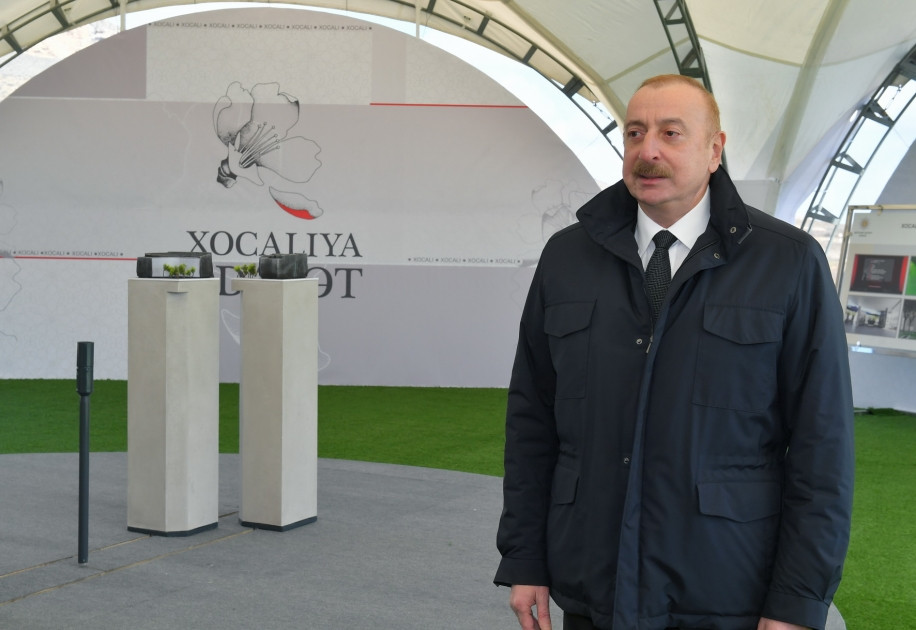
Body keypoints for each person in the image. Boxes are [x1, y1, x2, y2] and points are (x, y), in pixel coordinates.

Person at [494, 74, 854, 630]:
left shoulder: (789, 263)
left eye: (671, 133)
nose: (648, 151)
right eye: (635, 133)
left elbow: (822, 445)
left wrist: (796, 602)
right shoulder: (567, 258)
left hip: (725, 592)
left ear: (714, 150)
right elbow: (531, 423)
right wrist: (525, 558)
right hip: (594, 587)